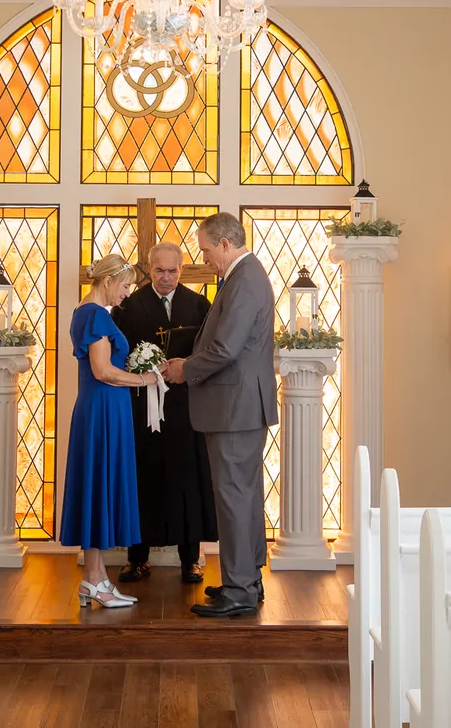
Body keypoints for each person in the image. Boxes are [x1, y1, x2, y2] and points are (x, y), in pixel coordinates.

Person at [162, 212, 277, 618]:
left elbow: (226, 349)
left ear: (226, 244)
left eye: (207, 250)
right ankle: (248, 579)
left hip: (235, 406)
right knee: (241, 496)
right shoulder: (243, 277)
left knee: (233, 497)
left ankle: (240, 588)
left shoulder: (245, 280)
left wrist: (184, 369)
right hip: (238, 405)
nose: (205, 258)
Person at [112, 242, 218, 585]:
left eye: (173, 271)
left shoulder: (199, 305)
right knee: (142, 477)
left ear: (182, 270)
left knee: (188, 477)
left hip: (186, 405)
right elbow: (118, 352)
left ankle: (191, 559)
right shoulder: (131, 305)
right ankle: (137, 558)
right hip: (142, 406)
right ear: (149, 268)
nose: (166, 277)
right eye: (159, 271)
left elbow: (209, 351)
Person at [59, 253, 160, 608]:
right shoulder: (94, 314)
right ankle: (92, 579)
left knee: (99, 488)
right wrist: (145, 379)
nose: (127, 293)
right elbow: (103, 371)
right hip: (102, 408)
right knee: (99, 487)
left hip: (105, 409)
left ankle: (97, 579)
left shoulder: (88, 313)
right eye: (126, 286)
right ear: (107, 282)